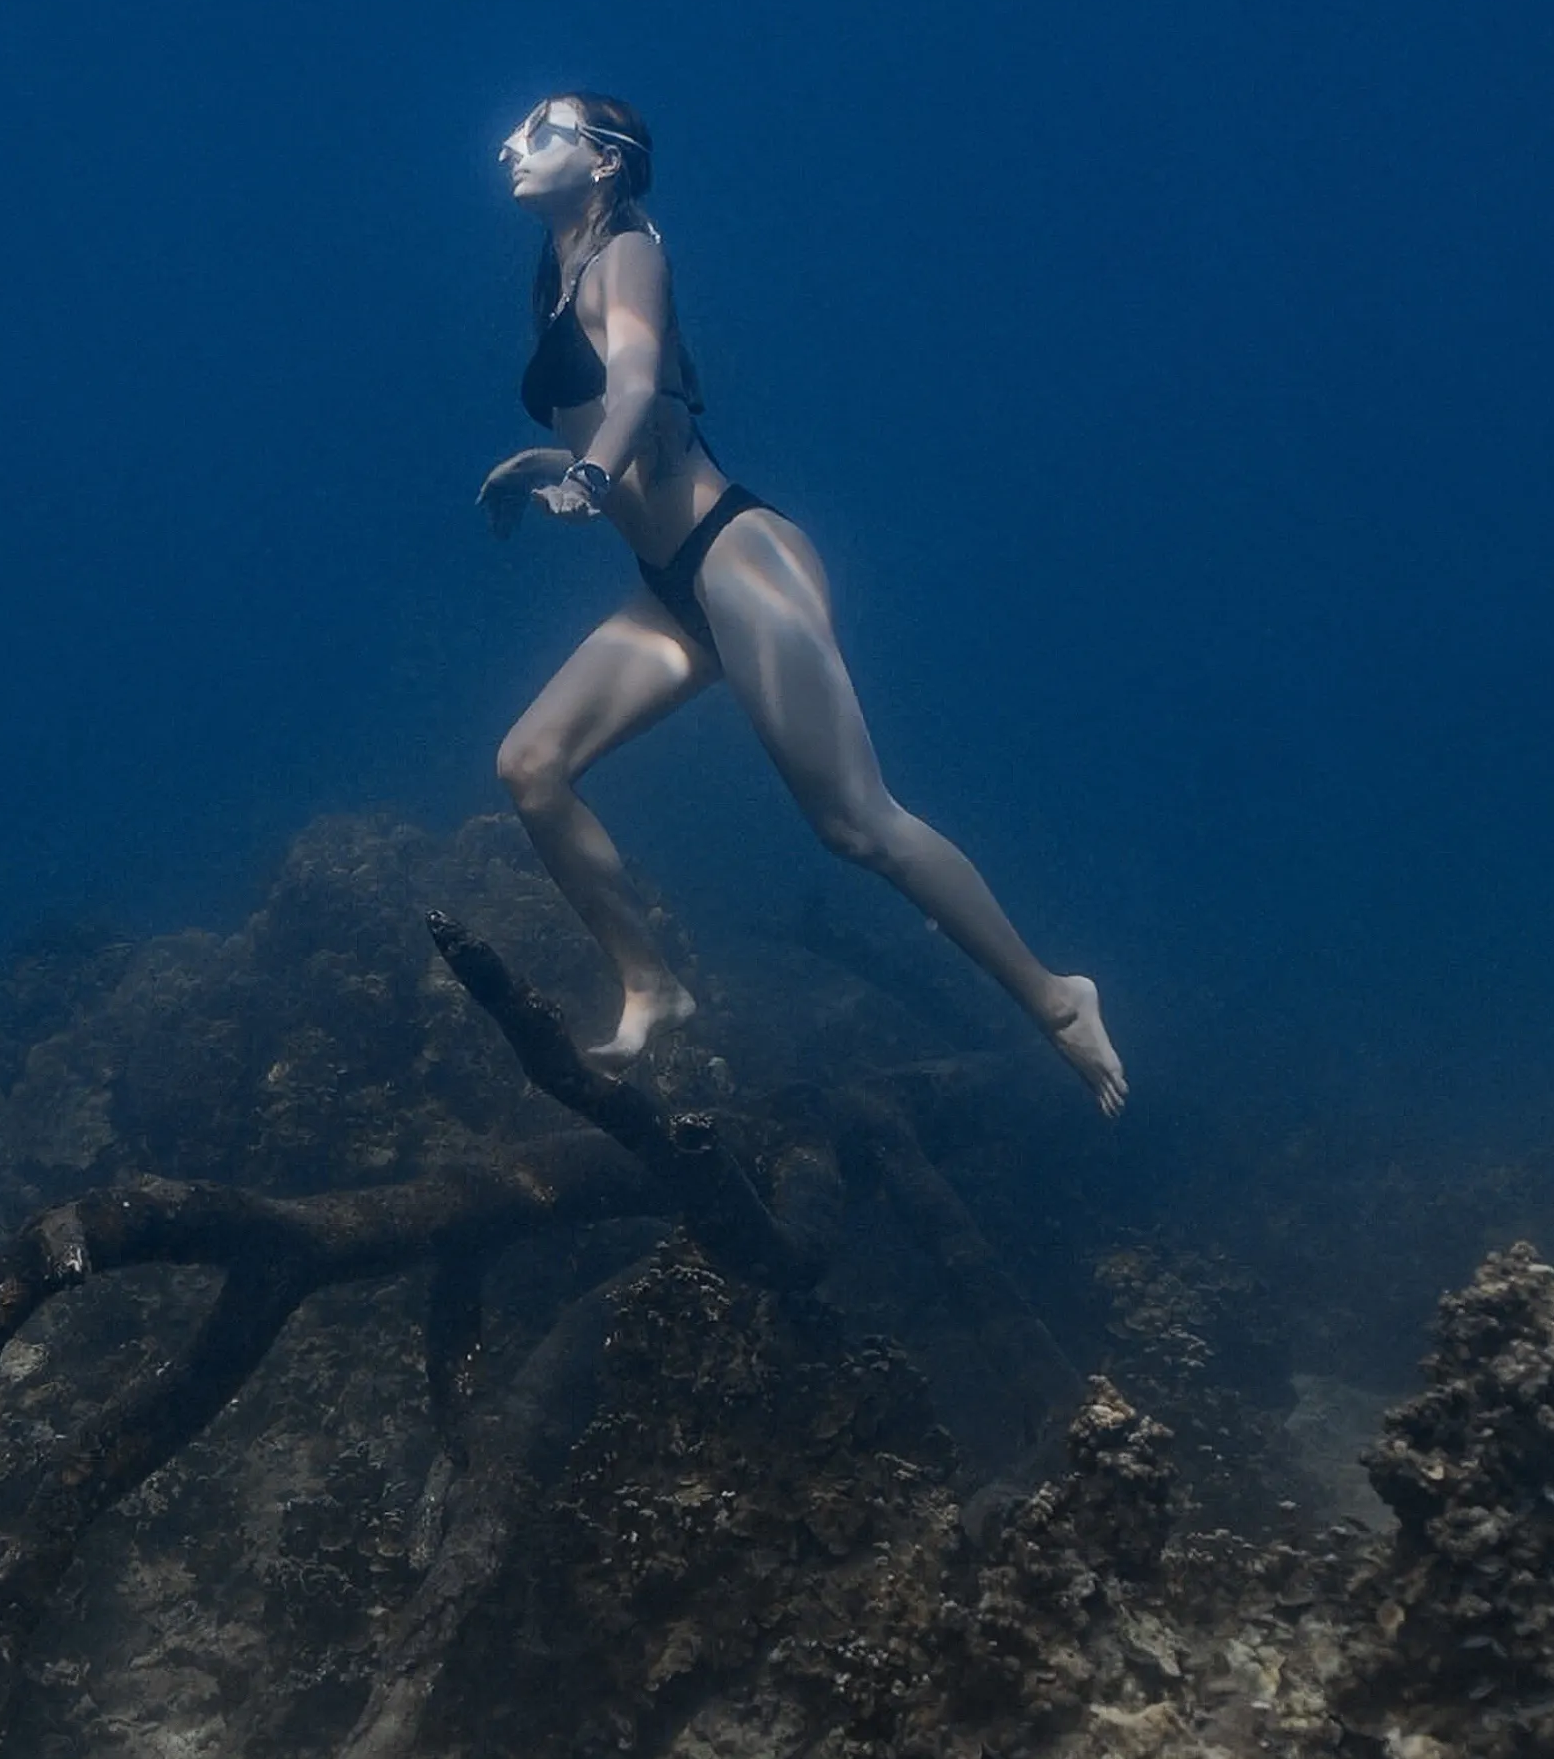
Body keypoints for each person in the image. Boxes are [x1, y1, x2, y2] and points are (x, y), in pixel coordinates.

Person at [480, 94, 1126, 1115]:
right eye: (515, 133)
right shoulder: (556, 276)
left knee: (856, 825)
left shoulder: (626, 254)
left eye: (541, 130)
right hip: (669, 588)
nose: (511, 144)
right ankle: (651, 984)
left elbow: (639, 386)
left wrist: (590, 478)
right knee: (530, 765)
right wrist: (545, 465)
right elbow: (636, 423)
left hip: (737, 556)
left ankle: (1055, 999)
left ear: (605, 162)